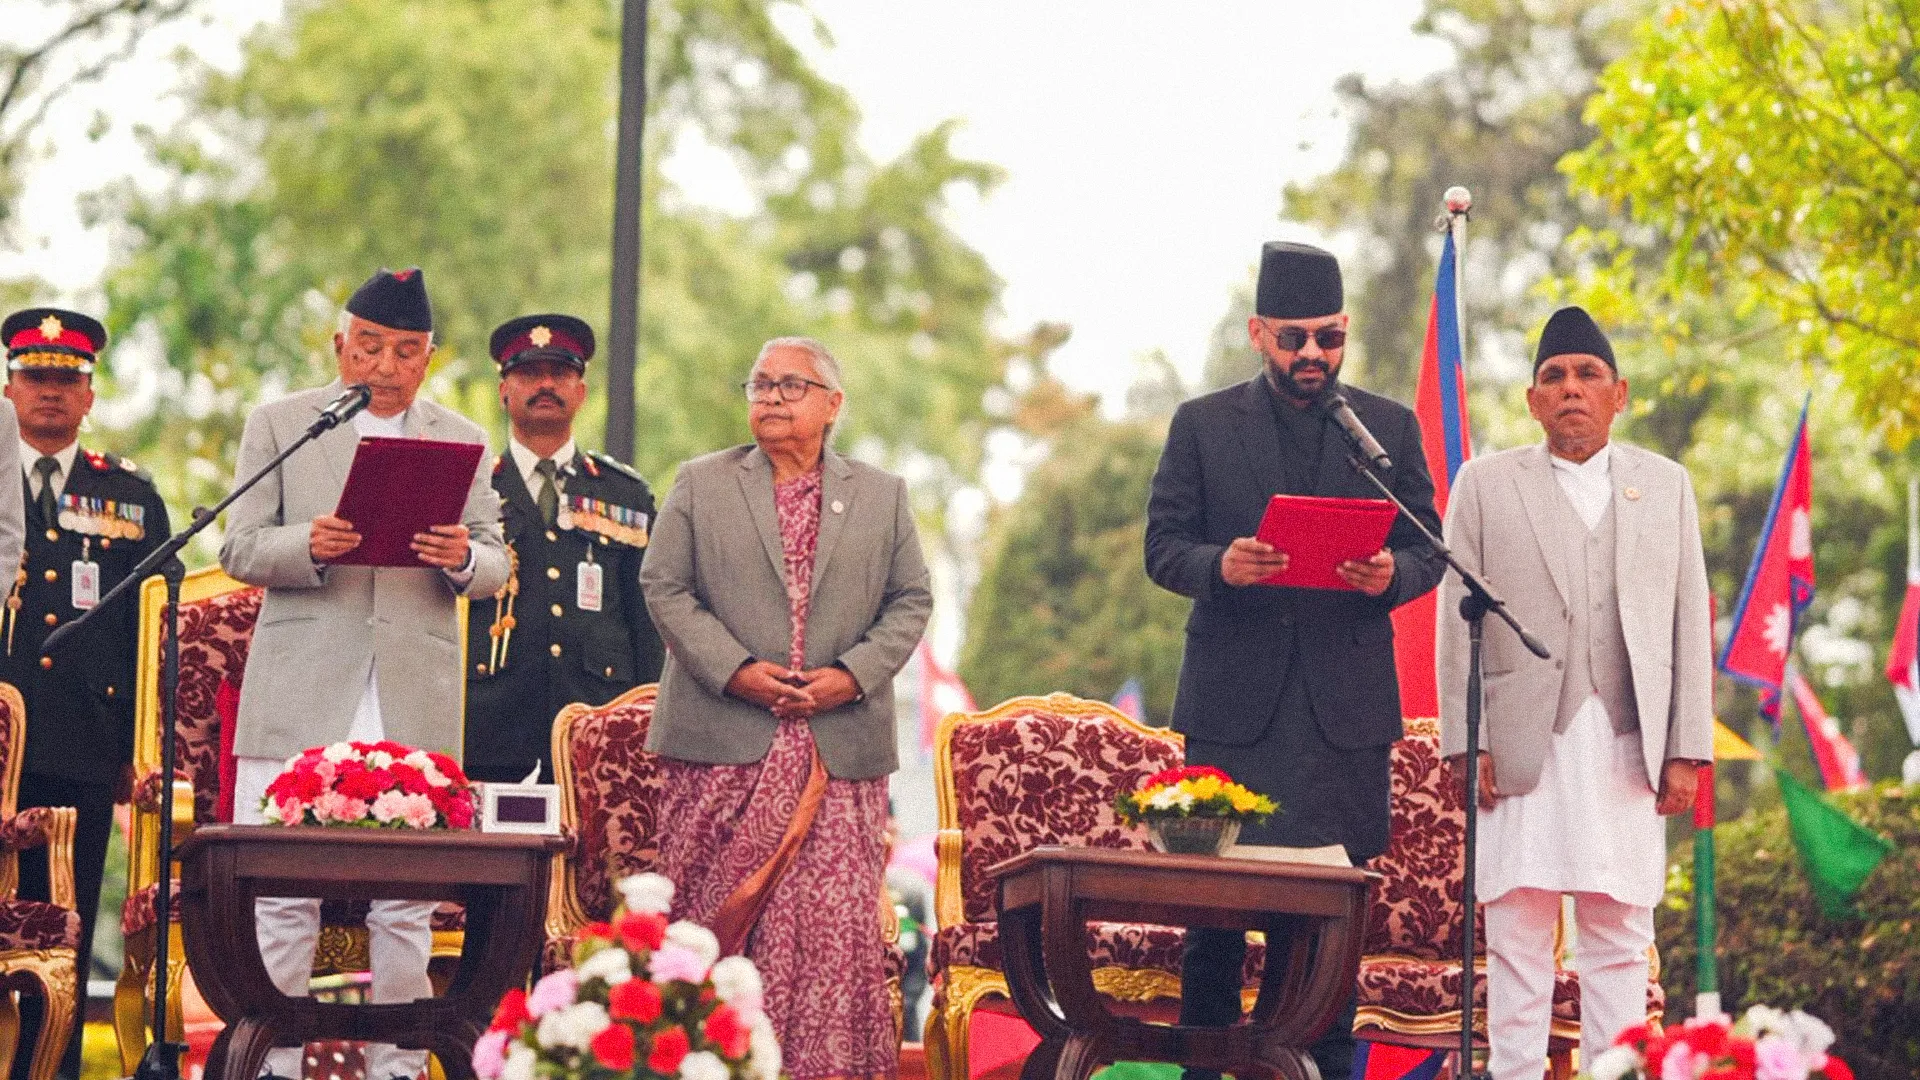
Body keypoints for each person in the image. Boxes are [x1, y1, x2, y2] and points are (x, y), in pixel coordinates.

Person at [1144, 242, 1445, 1080]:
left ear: (1345, 331)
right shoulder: (1203, 424)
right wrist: (1222, 565)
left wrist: (1391, 576)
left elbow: (1429, 546)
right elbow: (1162, 547)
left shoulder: (1384, 430)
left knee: (1324, 929)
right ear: (1258, 334)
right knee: (1214, 922)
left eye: (1328, 337)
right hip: (1234, 715)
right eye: (1293, 338)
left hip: (1342, 719)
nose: (1312, 354)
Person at [221, 268, 508, 1080]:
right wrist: (306, 545)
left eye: (406, 351)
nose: (385, 366)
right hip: (302, 688)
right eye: (370, 347)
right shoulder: (282, 424)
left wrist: (463, 558)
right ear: (339, 345)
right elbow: (238, 546)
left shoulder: (461, 437)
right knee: (280, 896)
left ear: (429, 359)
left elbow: (496, 561)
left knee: (405, 905)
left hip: (410, 694)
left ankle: (398, 1067)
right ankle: (274, 1065)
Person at [641, 336, 931, 1080]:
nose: (770, 397)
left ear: (833, 405)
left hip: (839, 748)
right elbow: (663, 585)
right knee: (705, 932)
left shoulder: (881, 494)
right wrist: (737, 672)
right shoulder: (701, 482)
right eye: (760, 384)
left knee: (830, 941)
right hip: (721, 744)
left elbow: (911, 600)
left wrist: (851, 676)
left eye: (790, 385)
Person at [1437, 306, 1712, 1080]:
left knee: (1619, 936)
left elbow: (1690, 619)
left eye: (1588, 374)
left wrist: (1688, 749)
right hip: (1521, 744)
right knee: (1517, 936)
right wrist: (1467, 742)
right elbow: (1454, 625)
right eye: (1553, 376)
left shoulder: (1667, 486)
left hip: (1628, 742)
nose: (1570, 388)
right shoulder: (1485, 485)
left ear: (1618, 394)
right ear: (1532, 401)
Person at [3, 307, 140, 1080]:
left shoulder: (127, 494)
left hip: (84, 742)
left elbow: (147, 630)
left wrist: (137, 746)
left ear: (88, 394)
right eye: (34, 376)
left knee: (67, 924)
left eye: (66, 378)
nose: (49, 391)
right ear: (9, 387)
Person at [463, 313, 663, 783]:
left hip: (598, 725)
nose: (546, 385)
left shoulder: (624, 493)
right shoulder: (472, 487)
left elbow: (647, 618)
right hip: (490, 724)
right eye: (530, 374)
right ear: (504, 390)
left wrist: (646, 721)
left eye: (560, 373)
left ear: (581, 391)